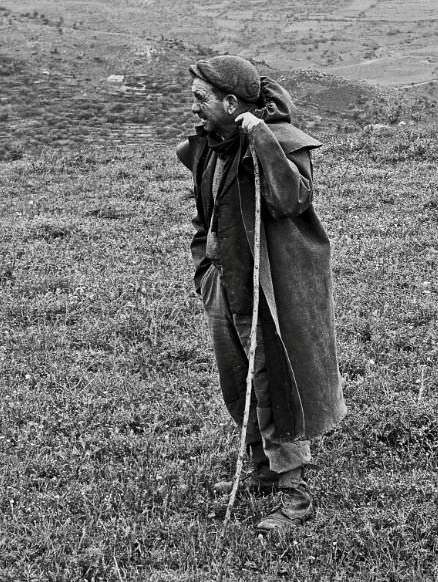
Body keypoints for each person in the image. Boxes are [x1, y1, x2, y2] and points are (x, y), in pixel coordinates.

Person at [176, 55, 346, 533]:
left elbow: (290, 200)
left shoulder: (280, 143)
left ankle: (294, 489)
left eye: (201, 99)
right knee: (239, 378)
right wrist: (204, 267)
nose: (194, 108)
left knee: (276, 378)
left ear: (232, 103)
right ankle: (262, 466)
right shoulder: (211, 146)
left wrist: (261, 139)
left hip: (269, 286)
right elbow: (205, 211)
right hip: (224, 280)